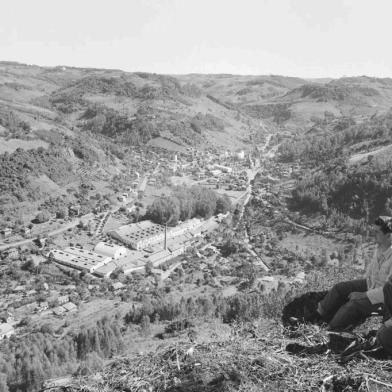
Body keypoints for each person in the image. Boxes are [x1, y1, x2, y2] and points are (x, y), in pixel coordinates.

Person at [314, 216, 392, 331]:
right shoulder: (380, 247)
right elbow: (371, 272)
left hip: (383, 299)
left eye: (376, 232)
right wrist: (357, 287)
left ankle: (329, 330)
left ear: (389, 236)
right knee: (340, 288)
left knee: (353, 304)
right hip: (371, 285)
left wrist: (363, 295)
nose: (372, 234)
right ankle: (317, 316)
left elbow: (388, 292)